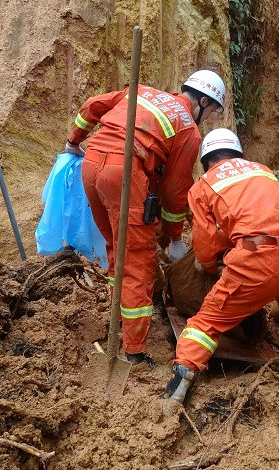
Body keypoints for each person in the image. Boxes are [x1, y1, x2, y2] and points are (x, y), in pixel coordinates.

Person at [64, 70, 226, 365]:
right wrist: (175, 236)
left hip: (92, 163)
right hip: (124, 172)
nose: (211, 117)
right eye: (213, 110)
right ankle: (134, 350)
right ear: (203, 100)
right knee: (138, 260)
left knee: (117, 247)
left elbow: (91, 106)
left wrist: (74, 141)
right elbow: (177, 192)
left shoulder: (142, 93)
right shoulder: (188, 129)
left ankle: (119, 318)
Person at [161, 129, 279, 403]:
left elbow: (203, 245)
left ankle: (176, 390)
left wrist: (207, 266)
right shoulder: (262, 171)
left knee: (207, 322)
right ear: (238, 154)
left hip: (257, 260)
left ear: (205, 161)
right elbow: (276, 212)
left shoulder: (203, 185)